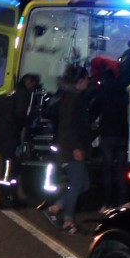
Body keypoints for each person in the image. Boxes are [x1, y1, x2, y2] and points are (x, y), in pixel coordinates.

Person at [42, 65, 91, 235]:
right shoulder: (72, 99)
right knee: (78, 183)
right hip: (70, 149)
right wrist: (76, 148)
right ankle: (68, 221)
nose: (88, 81)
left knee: (83, 184)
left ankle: (56, 208)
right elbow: (69, 127)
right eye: (86, 79)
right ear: (79, 82)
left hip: (71, 148)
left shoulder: (72, 96)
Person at [90, 52, 130, 211]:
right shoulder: (123, 91)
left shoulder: (102, 92)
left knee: (107, 170)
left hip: (108, 134)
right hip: (122, 134)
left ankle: (107, 203)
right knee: (121, 171)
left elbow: (94, 110)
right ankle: (121, 202)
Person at [0, 74, 38, 209]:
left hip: (7, 134)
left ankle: (12, 196)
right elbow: (20, 115)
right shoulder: (22, 94)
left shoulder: (13, 92)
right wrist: (30, 122)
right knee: (9, 168)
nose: (34, 88)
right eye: (34, 84)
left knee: (13, 168)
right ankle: (3, 199)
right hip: (10, 135)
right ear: (28, 82)